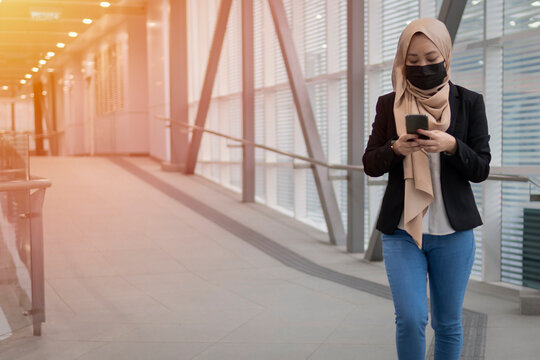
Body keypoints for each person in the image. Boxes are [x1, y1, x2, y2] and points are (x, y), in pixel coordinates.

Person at [362, 18, 491, 360]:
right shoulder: (388, 103)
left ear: (446, 57)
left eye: (430, 57)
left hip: (453, 232)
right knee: (410, 318)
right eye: (413, 61)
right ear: (402, 62)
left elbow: (481, 168)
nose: (422, 67)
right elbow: (370, 164)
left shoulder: (470, 103)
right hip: (403, 232)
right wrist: (395, 149)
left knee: (448, 323)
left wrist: (452, 146)